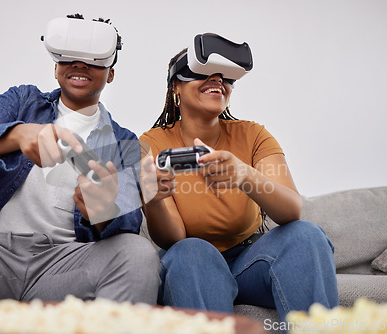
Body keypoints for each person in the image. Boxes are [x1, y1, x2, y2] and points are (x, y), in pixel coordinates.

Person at [0, 14, 159, 334]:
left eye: (92, 61)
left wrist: (102, 211)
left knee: (138, 255)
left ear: (111, 73)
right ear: (55, 67)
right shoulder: (23, 101)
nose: (80, 65)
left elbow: (128, 227)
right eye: (69, 58)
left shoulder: (124, 142)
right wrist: (21, 135)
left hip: (63, 266)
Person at [139, 33, 339, 323]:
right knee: (191, 252)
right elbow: (174, 238)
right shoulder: (150, 144)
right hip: (192, 266)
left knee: (306, 234)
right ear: (176, 88)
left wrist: (244, 175)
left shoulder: (254, 135)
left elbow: (291, 211)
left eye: (225, 77)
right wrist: (155, 199)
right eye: (202, 73)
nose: (217, 81)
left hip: (251, 262)